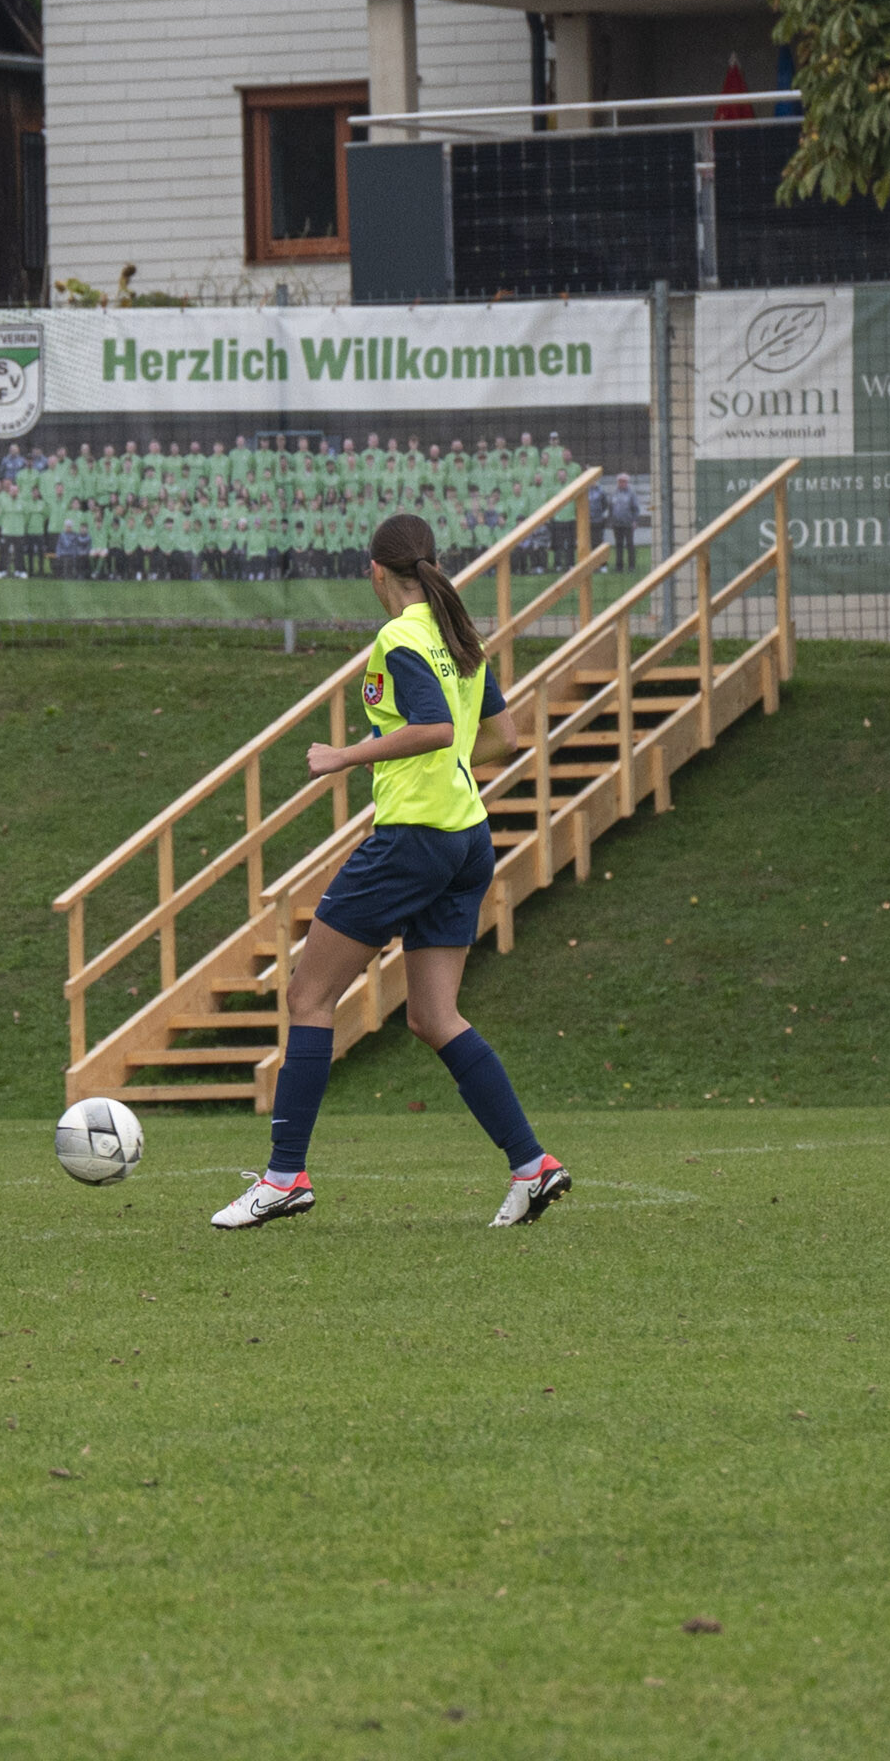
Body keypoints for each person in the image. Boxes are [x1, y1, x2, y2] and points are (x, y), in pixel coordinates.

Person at [211, 512, 571, 1233]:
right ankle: (532, 1165)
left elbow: (434, 728)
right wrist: (449, 768)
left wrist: (344, 756)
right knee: (434, 1017)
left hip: (414, 840)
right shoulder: (458, 634)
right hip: (467, 838)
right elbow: (503, 737)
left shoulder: (402, 637)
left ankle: (283, 1178)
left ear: (375, 571)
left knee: (309, 995)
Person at [607, 472, 642, 571]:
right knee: (618, 545)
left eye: (624, 481)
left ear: (627, 482)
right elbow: (610, 508)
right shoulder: (614, 493)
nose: (622, 483)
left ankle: (631, 566)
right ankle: (619, 566)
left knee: (630, 545)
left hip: (628, 523)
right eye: (620, 481)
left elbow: (635, 509)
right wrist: (611, 521)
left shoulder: (631, 494)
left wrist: (635, 521)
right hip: (616, 524)